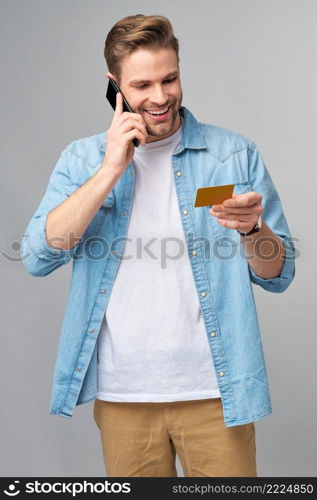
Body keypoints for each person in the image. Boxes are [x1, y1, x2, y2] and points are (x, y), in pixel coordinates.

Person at [21, 14, 296, 477]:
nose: (161, 96)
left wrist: (254, 231)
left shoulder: (233, 154)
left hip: (216, 391)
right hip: (124, 395)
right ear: (115, 86)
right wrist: (110, 169)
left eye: (170, 78)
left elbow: (277, 274)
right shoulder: (82, 159)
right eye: (142, 84)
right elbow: (37, 256)